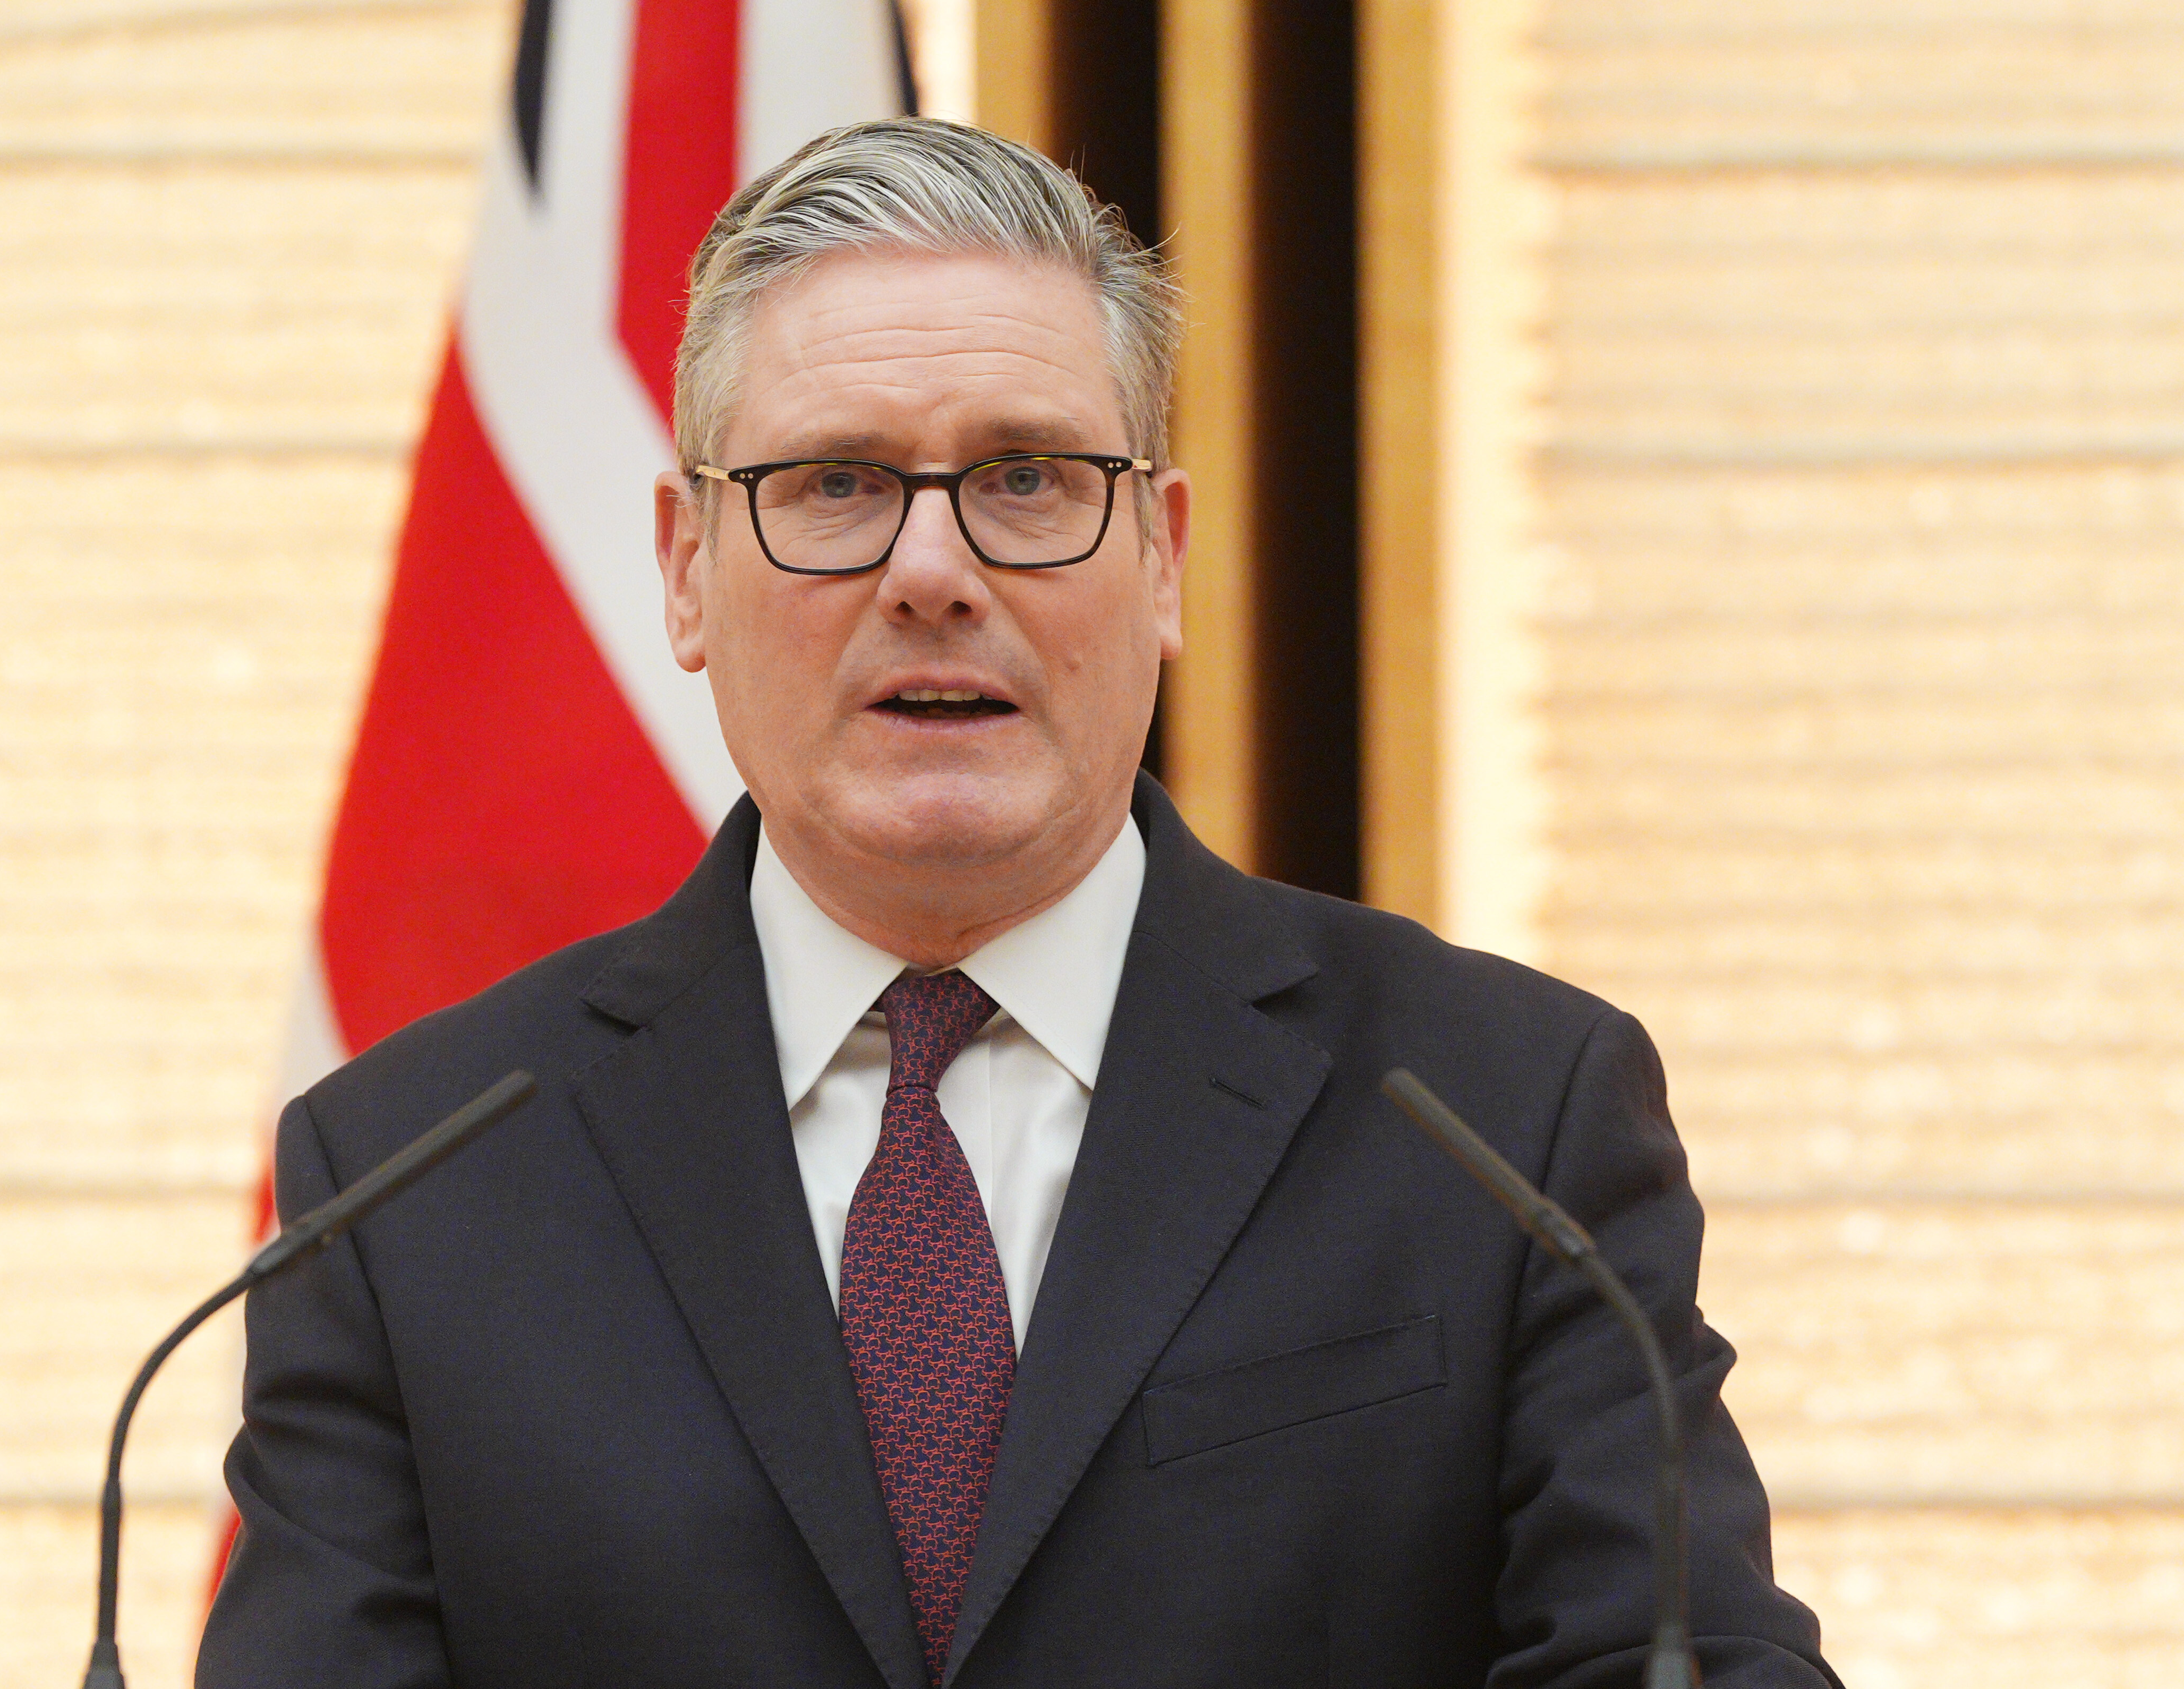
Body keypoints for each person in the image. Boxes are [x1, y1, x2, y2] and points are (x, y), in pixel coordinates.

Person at [198, 117, 1837, 1689]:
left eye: (1030, 478)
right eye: (834, 484)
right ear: (687, 566)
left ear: (1164, 557)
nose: (931, 570)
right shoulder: (409, 1181)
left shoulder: (1500, 1118)